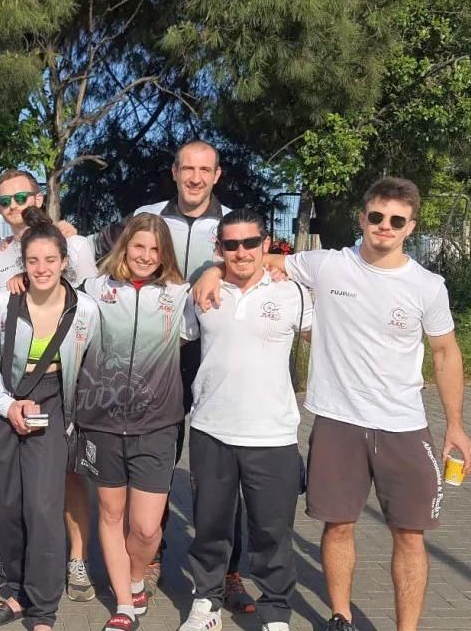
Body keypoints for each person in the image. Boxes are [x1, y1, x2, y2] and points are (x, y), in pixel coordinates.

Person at [195, 177, 471, 631]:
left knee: (409, 534)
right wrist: (210, 269)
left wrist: (457, 426)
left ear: (410, 227)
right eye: (377, 216)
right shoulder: (325, 265)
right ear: (362, 219)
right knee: (338, 525)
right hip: (337, 421)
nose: (385, 226)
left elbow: (446, 352)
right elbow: (253, 257)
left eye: (396, 220)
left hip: (403, 424)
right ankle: (340, 617)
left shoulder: (428, 286)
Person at [91, 140, 249, 609]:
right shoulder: (148, 212)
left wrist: (216, 269)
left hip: (212, 351)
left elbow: (262, 261)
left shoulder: (232, 221)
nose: (196, 178)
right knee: (154, 455)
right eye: (188, 169)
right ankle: (150, 551)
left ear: (217, 175)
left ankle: (229, 569)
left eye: (205, 170)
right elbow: (102, 250)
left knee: (219, 470)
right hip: (156, 352)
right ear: (175, 172)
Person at [178, 209, 312, 631]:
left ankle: (275, 613)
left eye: (250, 243)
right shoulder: (201, 295)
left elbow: (331, 343)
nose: (241, 252)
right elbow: (179, 347)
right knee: (211, 528)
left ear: (265, 244)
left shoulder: (295, 294)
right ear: (219, 248)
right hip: (211, 429)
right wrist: (208, 274)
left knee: (272, 532)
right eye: (230, 245)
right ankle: (206, 604)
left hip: (272, 433)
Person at [0, 207, 101, 631]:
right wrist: (7, 405)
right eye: (32, 261)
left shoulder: (86, 311)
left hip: (53, 407)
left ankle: (43, 609)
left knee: (43, 509)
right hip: (4, 409)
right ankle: (17, 592)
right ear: (22, 264)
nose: (41, 268)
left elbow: (93, 369)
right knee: (6, 506)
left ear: (65, 262)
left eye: (50, 260)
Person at [74, 213, 196, 631]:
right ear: (124, 247)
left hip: (157, 424)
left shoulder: (181, 295)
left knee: (145, 529)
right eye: (138, 246)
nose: (145, 256)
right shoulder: (93, 290)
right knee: (110, 513)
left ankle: (136, 575)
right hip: (101, 422)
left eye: (154, 248)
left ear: (165, 254)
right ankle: (124, 603)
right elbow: (49, 294)